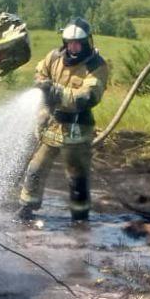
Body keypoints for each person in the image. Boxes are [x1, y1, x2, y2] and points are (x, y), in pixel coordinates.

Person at [17, 17, 109, 223]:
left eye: (77, 43)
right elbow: (40, 73)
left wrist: (56, 92)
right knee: (35, 169)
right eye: (69, 42)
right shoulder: (54, 57)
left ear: (87, 42)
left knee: (76, 178)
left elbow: (88, 97)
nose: (73, 47)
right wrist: (43, 85)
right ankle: (26, 208)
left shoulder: (96, 66)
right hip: (53, 125)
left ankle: (80, 217)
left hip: (78, 128)